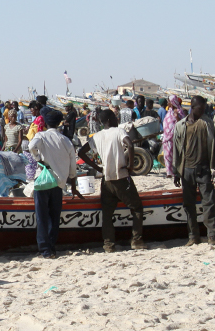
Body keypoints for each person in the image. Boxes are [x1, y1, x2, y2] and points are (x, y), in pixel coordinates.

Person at [78, 109, 145, 252]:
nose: (117, 119)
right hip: (121, 176)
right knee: (137, 208)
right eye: (115, 117)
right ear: (109, 119)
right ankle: (136, 240)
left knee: (107, 214)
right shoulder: (118, 131)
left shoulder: (97, 136)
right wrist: (131, 166)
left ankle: (108, 244)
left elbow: (81, 152)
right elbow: (131, 145)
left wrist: (97, 167)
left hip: (106, 179)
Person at [29, 111, 79, 258]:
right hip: (58, 183)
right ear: (59, 123)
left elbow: (31, 146)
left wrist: (38, 158)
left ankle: (44, 249)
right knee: (54, 216)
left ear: (45, 123)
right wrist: (73, 181)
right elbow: (72, 165)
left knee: (42, 216)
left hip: (43, 181)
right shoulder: (65, 140)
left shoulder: (41, 136)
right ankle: (51, 247)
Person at [172, 95, 215, 246]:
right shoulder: (180, 126)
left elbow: (214, 147)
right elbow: (176, 150)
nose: (203, 110)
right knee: (188, 205)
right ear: (193, 107)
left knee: (209, 202)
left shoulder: (207, 123)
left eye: (204, 108)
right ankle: (193, 236)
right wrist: (176, 172)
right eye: (201, 108)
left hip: (204, 169)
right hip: (186, 170)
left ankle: (212, 234)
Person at [162, 95, 187, 179]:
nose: (168, 103)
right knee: (167, 154)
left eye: (169, 101)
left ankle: (175, 171)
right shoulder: (169, 111)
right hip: (167, 137)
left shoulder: (180, 111)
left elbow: (183, 124)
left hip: (175, 137)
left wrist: (177, 117)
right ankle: (169, 172)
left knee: (175, 155)